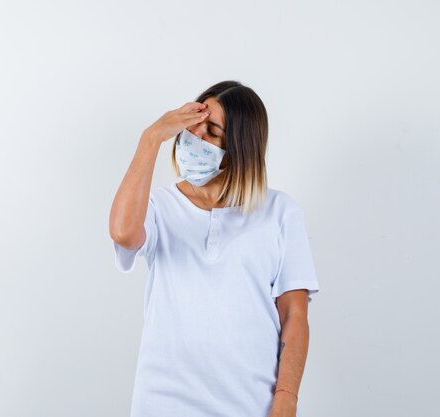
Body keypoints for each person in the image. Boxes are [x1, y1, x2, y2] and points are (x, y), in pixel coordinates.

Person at [108, 80, 320, 417]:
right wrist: (151, 139)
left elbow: (294, 315)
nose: (196, 139)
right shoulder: (161, 208)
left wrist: (286, 398)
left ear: (239, 147)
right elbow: (122, 234)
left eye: (212, 131)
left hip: (250, 404)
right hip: (163, 403)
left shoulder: (280, 213)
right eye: (193, 127)